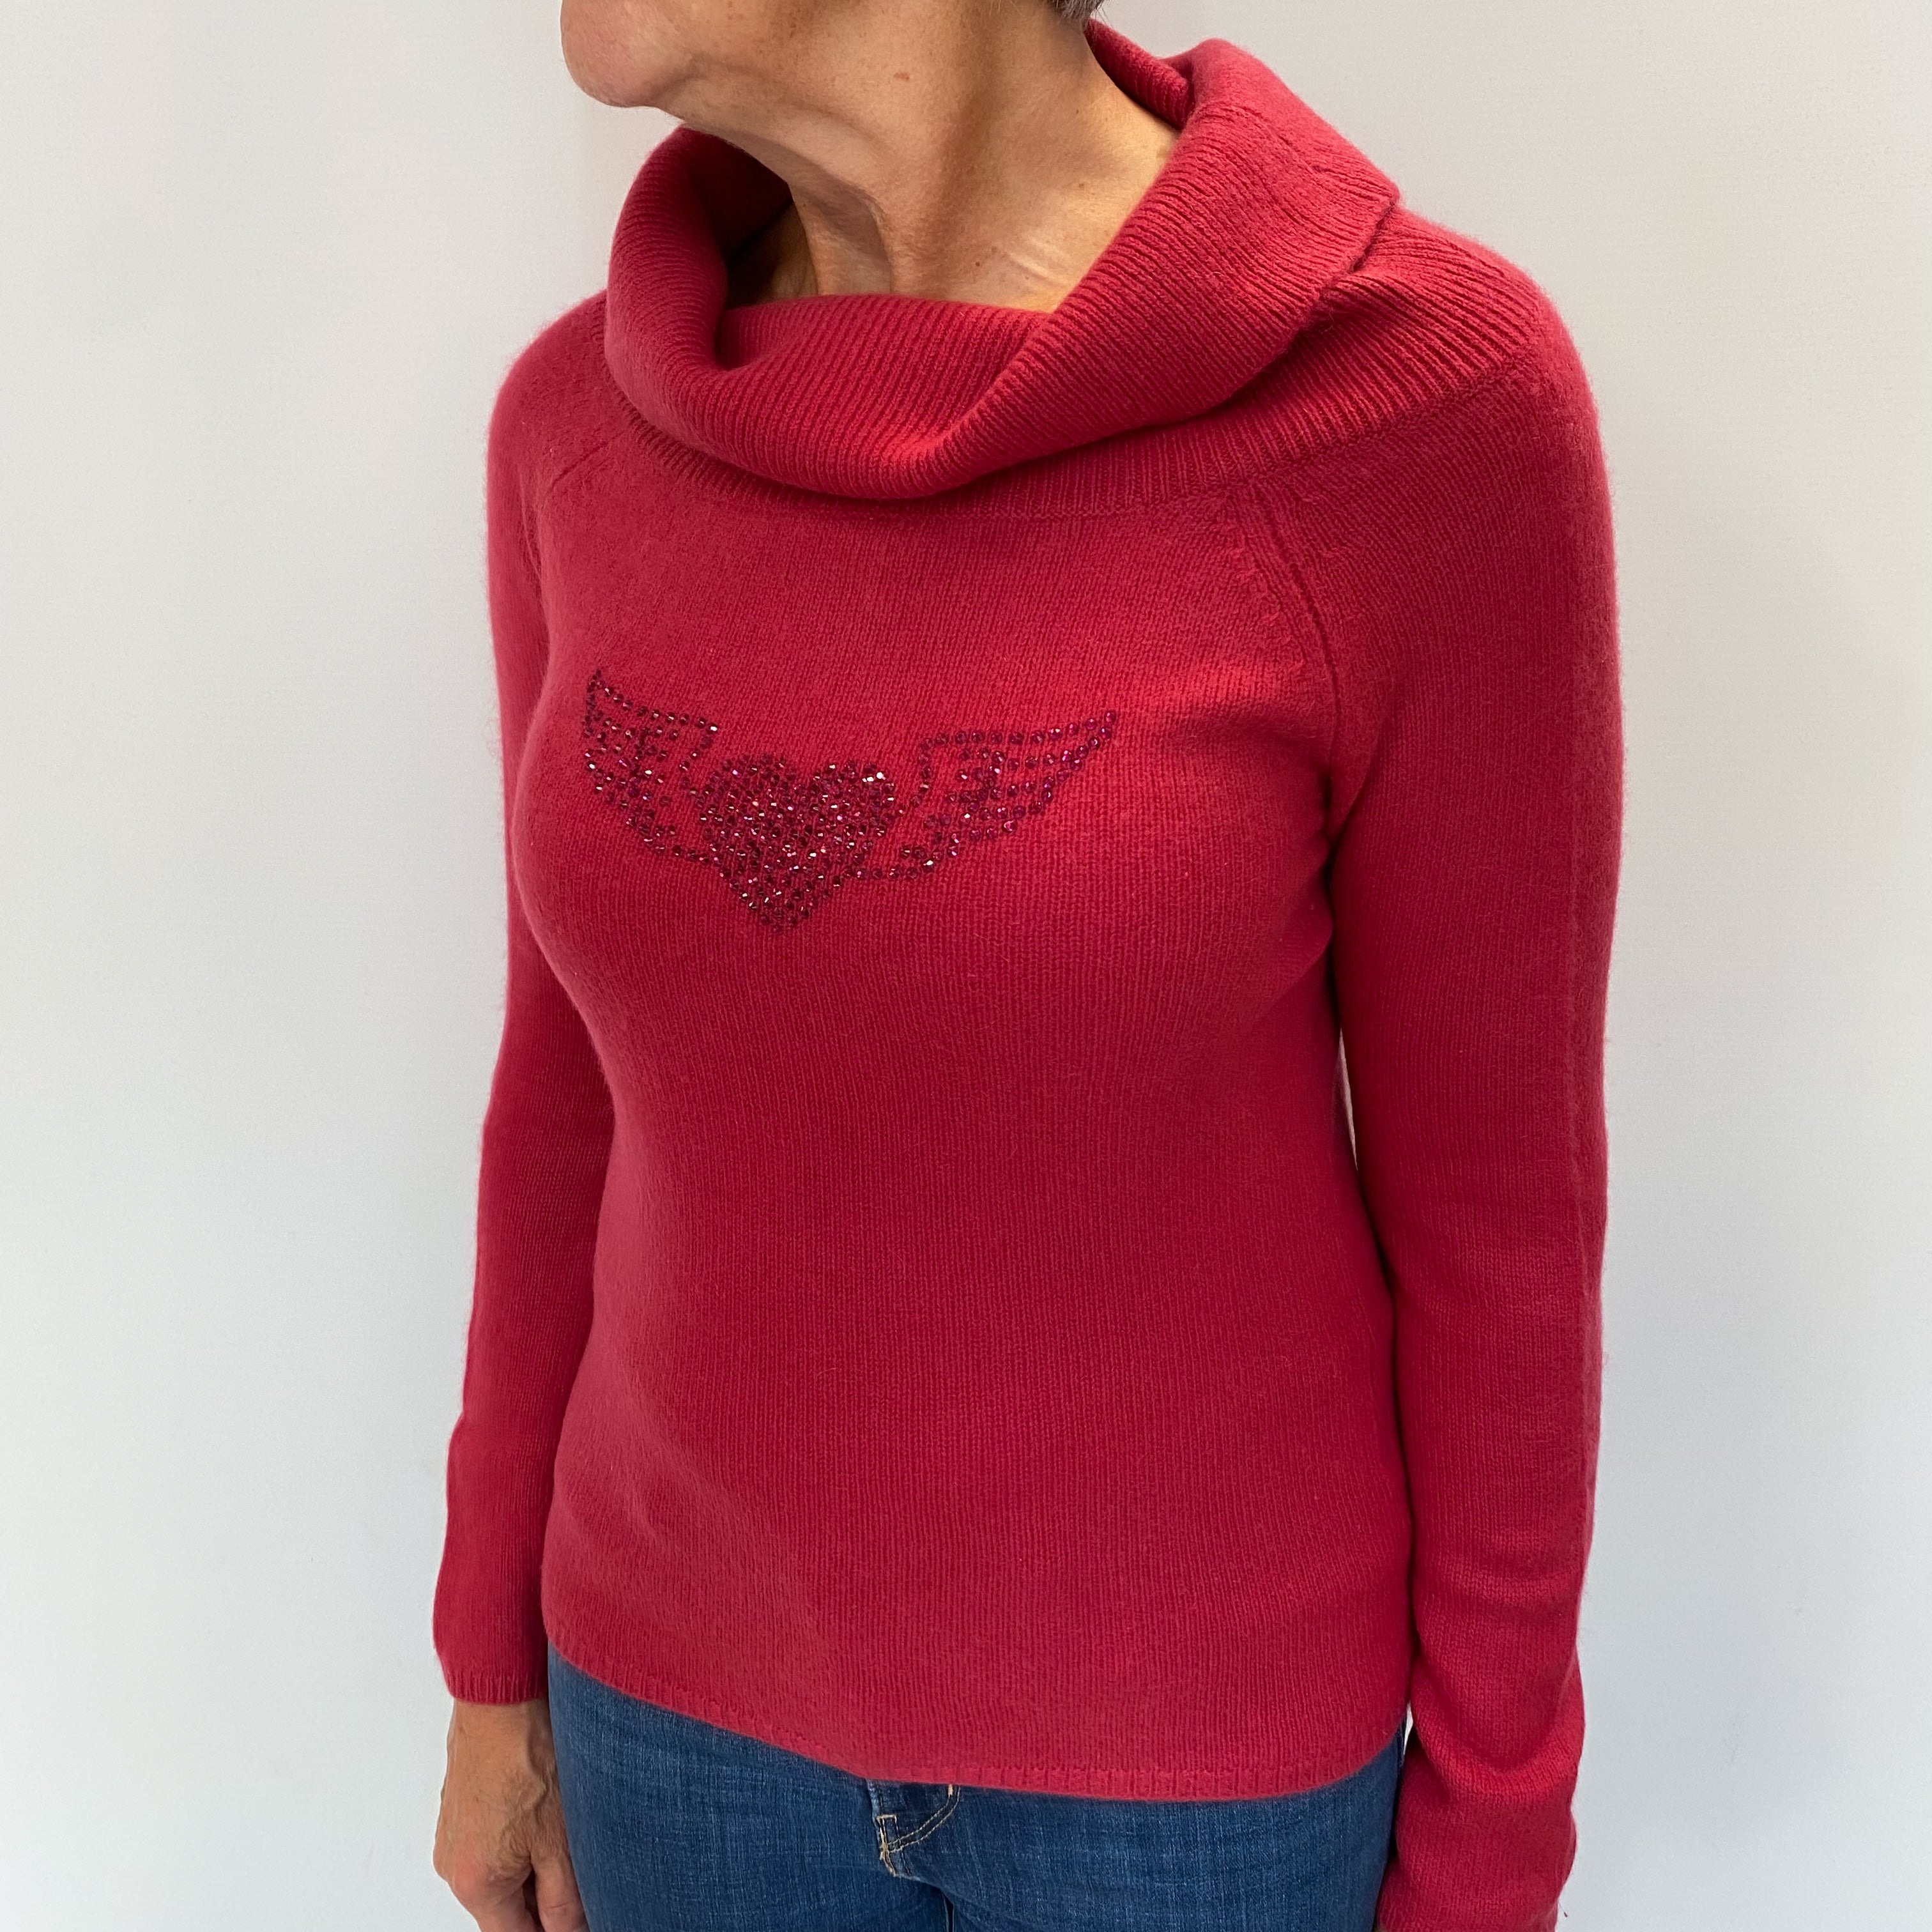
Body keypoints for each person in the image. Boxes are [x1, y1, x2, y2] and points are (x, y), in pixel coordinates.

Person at [429, 2, 1625, 1929]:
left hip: (1195, 1780)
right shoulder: (576, 425)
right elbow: (560, 1085)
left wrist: (1493, 1848)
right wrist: (490, 1654)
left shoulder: (1419, 407)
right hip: (668, 1713)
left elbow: (1500, 1219)